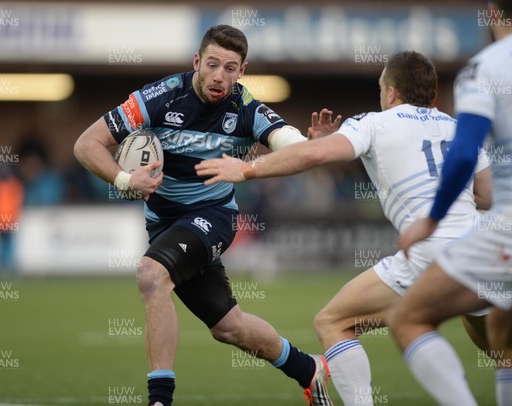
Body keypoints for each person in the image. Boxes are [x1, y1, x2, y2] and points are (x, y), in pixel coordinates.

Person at [195, 50, 512, 405]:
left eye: (382, 88)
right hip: (482, 246)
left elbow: (312, 156)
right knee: (496, 341)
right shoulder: (457, 127)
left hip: (431, 250)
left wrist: (248, 169)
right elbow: (489, 194)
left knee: (333, 321)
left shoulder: (373, 122)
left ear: (392, 92)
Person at [74, 25, 333, 406]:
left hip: (213, 216)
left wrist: (310, 146)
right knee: (228, 327)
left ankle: (159, 400)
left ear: (242, 71)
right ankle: (308, 369)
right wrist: (125, 179)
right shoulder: (159, 97)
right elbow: (86, 144)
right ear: (197, 62)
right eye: (212, 65)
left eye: (230, 68)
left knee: (151, 275)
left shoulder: (246, 108)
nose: (219, 76)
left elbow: (286, 141)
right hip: (165, 224)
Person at [387, 1, 512, 405]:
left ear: (493, 13)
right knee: (504, 333)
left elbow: (463, 155)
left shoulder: (484, 68)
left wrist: (431, 219)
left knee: (408, 318)